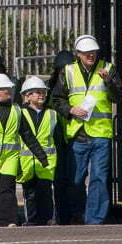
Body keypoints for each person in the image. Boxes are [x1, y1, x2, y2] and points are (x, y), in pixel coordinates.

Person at [51, 35, 122, 225]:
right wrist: (70, 110)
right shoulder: (68, 71)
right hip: (77, 133)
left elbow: (118, 97)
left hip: (100, 133)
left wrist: (108, 82)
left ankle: (95, 219)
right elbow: (57, 99)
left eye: (93, 51)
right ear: (78, 54)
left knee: (99, 177)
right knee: (75, 179)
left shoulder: (108, 69)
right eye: (86, 52)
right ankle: (78, 213)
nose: (91, 55)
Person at [0, 73, 49, 227]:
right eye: (5, 88)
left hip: (10, 158)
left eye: (9, 88)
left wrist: (41, 155)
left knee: (7, 190)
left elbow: (27, 135)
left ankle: (8, 220)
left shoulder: (17, 110)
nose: (9, 91)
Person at [16, 76, 63, 226]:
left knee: (47, 191)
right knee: (29, 193)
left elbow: (58, 138)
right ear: (27, 96)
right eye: (37, 92)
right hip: (27, 162)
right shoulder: (19, 113)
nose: (41, 95)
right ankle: (32, 219)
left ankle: (48, 218)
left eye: (43, 92)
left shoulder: (52, 114)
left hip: (47, 162)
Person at [47, 50, 76, 225]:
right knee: (60, 180)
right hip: (57, 139)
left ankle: (70, 214)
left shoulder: (72, 86)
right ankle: (63, 215)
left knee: (72, 179)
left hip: (71, 135)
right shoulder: (52, 90)